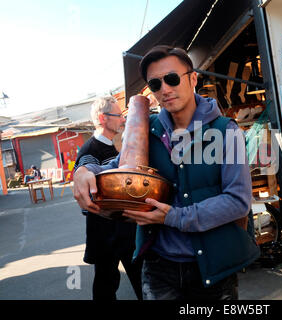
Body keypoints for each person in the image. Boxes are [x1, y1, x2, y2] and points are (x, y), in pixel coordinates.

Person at [73, 45, 259, 300]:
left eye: (172, 78)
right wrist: (84, 170)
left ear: (193, 78)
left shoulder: (228, 132)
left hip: (212, 269)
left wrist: (173, 217)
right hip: (158, 266)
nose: (165, 89)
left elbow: (238, 201)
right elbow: (117, 165)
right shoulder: (147, 130)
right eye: (155, 84)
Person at [73, 96, 143, 300]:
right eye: (119, 115)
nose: (123, 120)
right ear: (103, 118)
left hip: (128, 230)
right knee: (105, 287)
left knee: (143, 282)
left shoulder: (119, 146)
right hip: (106, 235)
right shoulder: (89, 152)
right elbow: (86, 200)